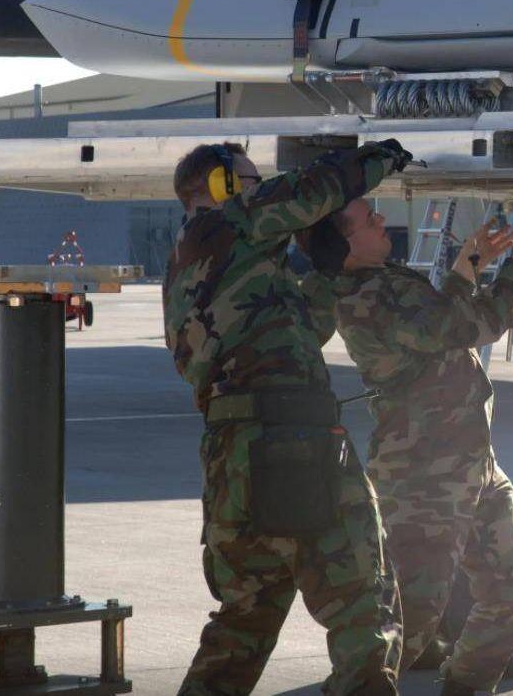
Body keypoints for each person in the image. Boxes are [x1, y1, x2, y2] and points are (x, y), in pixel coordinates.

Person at [300, 198, 513, 696]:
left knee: (512, 599)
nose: (381, 219)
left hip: (470, 463)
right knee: (409, 624)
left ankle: (464, 687)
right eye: (368, 218)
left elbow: (438, 320)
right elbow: (473, 326)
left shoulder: (384, 280)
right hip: (423, 476)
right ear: (343, 243)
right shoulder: (369, 296)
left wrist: (469, 263)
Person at [164, 140, 410, 696]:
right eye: (253, 180)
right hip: (295, 443)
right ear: (224, 186)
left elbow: (296, 335)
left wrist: (326, 273)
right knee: (364, 608)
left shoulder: (195, 266)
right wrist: (380, 155)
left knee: (243, 624)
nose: (262, 189)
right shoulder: (234, 221)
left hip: (234, 460)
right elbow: (313, 188)